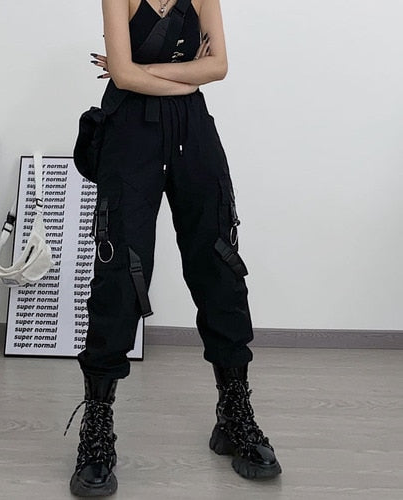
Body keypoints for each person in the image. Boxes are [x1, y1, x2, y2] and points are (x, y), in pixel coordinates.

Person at [66, 0, 282, 496]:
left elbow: (218, 67)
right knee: (120, 270)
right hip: (129, 133)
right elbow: (122, 77)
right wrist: (183, 77)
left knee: (218, 263)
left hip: (193, 132)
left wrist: (141, 72)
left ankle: (234, 412)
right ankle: (97, 429)